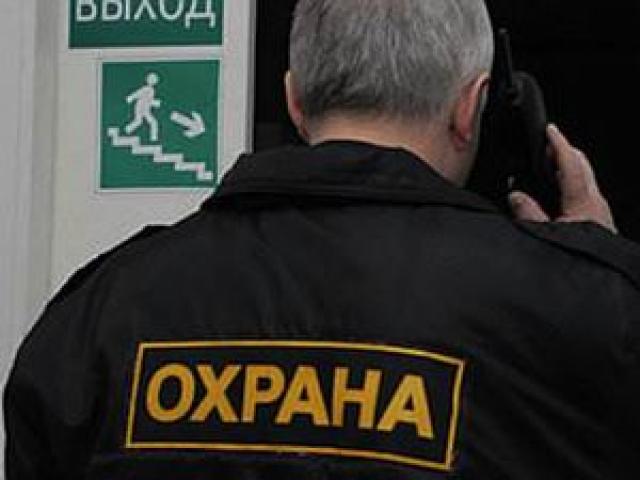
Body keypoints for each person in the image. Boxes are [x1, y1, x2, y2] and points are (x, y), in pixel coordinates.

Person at [4, 0, 640, 478]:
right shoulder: (590, 317)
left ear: (294, 101)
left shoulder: (102, 312)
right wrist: (597, 271)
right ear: (471, 107)